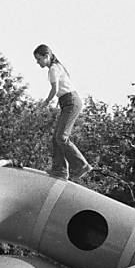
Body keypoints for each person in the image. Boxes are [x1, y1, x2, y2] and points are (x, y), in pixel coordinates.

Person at [33, 44, 93, 180]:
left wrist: (46, 103)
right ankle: (60, 170)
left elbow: (55, 90)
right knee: (56, 138)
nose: (38, 63)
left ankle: (81, 165)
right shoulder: (55, 68)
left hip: (71, 102)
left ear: (46, 56)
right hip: (66, 102)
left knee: (61, 137)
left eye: (39, 59)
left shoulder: (54, 69)